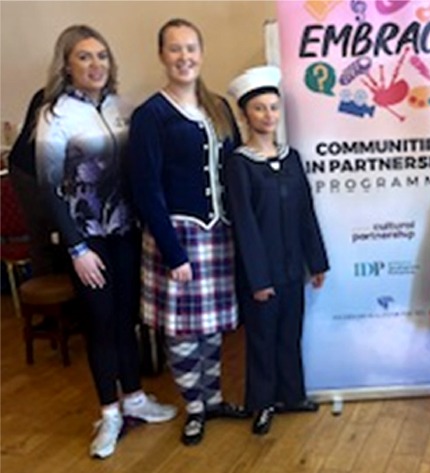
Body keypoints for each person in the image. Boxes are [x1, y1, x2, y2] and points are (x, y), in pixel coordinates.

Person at [35, 25, 177, 460]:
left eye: (102, 56)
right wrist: (76, 248)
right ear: (67, 66)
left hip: (126, 234)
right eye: (84, 57)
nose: (96, 64)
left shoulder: (123, 108)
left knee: (126, 319)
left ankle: (134, 398)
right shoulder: (55, 115)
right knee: (100, 323)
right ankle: (110, 413)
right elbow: (48, 187)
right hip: (87, 242)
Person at [128, 18, 248, 447]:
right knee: (181, 330)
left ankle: (213, 400)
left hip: (218, 234)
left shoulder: (219, 107)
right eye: (175, 49)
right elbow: (146, 189)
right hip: (176, 236)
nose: (184, 57)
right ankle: (195, 408)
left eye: (191, 48)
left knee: (212, 328)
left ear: (201, 52)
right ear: (162, 55)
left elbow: (234, 169)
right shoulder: (151, 115)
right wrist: (172, 251)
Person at [225, 65, 330, 436]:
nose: (268, 115)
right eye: (259, 108)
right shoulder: (239, 164)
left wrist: (316, 261)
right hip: (262, 274)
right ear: (245, 115)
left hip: (292, 267)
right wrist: (258, 279)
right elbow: (244, 225)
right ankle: (262, 402)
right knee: (262, 338)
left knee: (290, 333)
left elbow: (305, 212)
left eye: (273, 107)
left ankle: (292, 395)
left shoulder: (292, 158)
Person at [7, 88, 64, 278]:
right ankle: (47, 288)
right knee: (41, 234)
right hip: (28, 170)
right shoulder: (51, 98)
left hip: (46, 166)